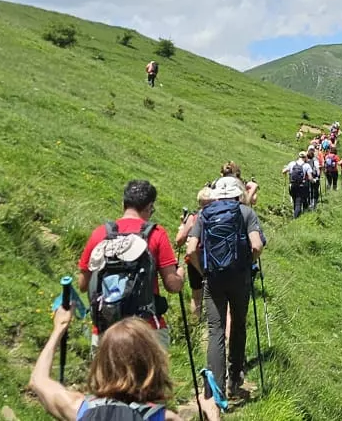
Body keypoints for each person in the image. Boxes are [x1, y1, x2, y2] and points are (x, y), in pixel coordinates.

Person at [186, 175, 264, 405]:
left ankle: (216, 389)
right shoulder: (246, 212)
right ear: (238, 194)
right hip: (239, 278)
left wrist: (203, 272)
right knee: (238, 324)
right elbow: (257, 245)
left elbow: (190, 250)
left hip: (214, 280)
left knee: (215, 330)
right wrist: (248, 264)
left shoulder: (204, 214)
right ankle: (235, 378)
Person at [79, 181, 185, 349]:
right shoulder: (156, 234)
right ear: (149, 207)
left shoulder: (100, 233)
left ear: (124, 204)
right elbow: (172, 285)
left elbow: (83, 285)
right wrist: (181, 273)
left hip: (106, 330)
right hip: (146, 329)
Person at [29, 310, 186, 421]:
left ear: (102, 365)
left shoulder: (80, 409)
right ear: (151, 365)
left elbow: (38, 381)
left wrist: (60, 328)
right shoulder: (164, 418)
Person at [284, 152, 315, 217]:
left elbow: (284, 171)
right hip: (301, 187)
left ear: (299, 157)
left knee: (295, 202)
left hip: (292, 186)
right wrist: (313, 181)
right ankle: (296, 218)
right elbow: (310, 177)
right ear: (305, 157)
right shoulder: (307, 165)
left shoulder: (292, 163)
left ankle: (295, 215)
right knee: (298, 204)